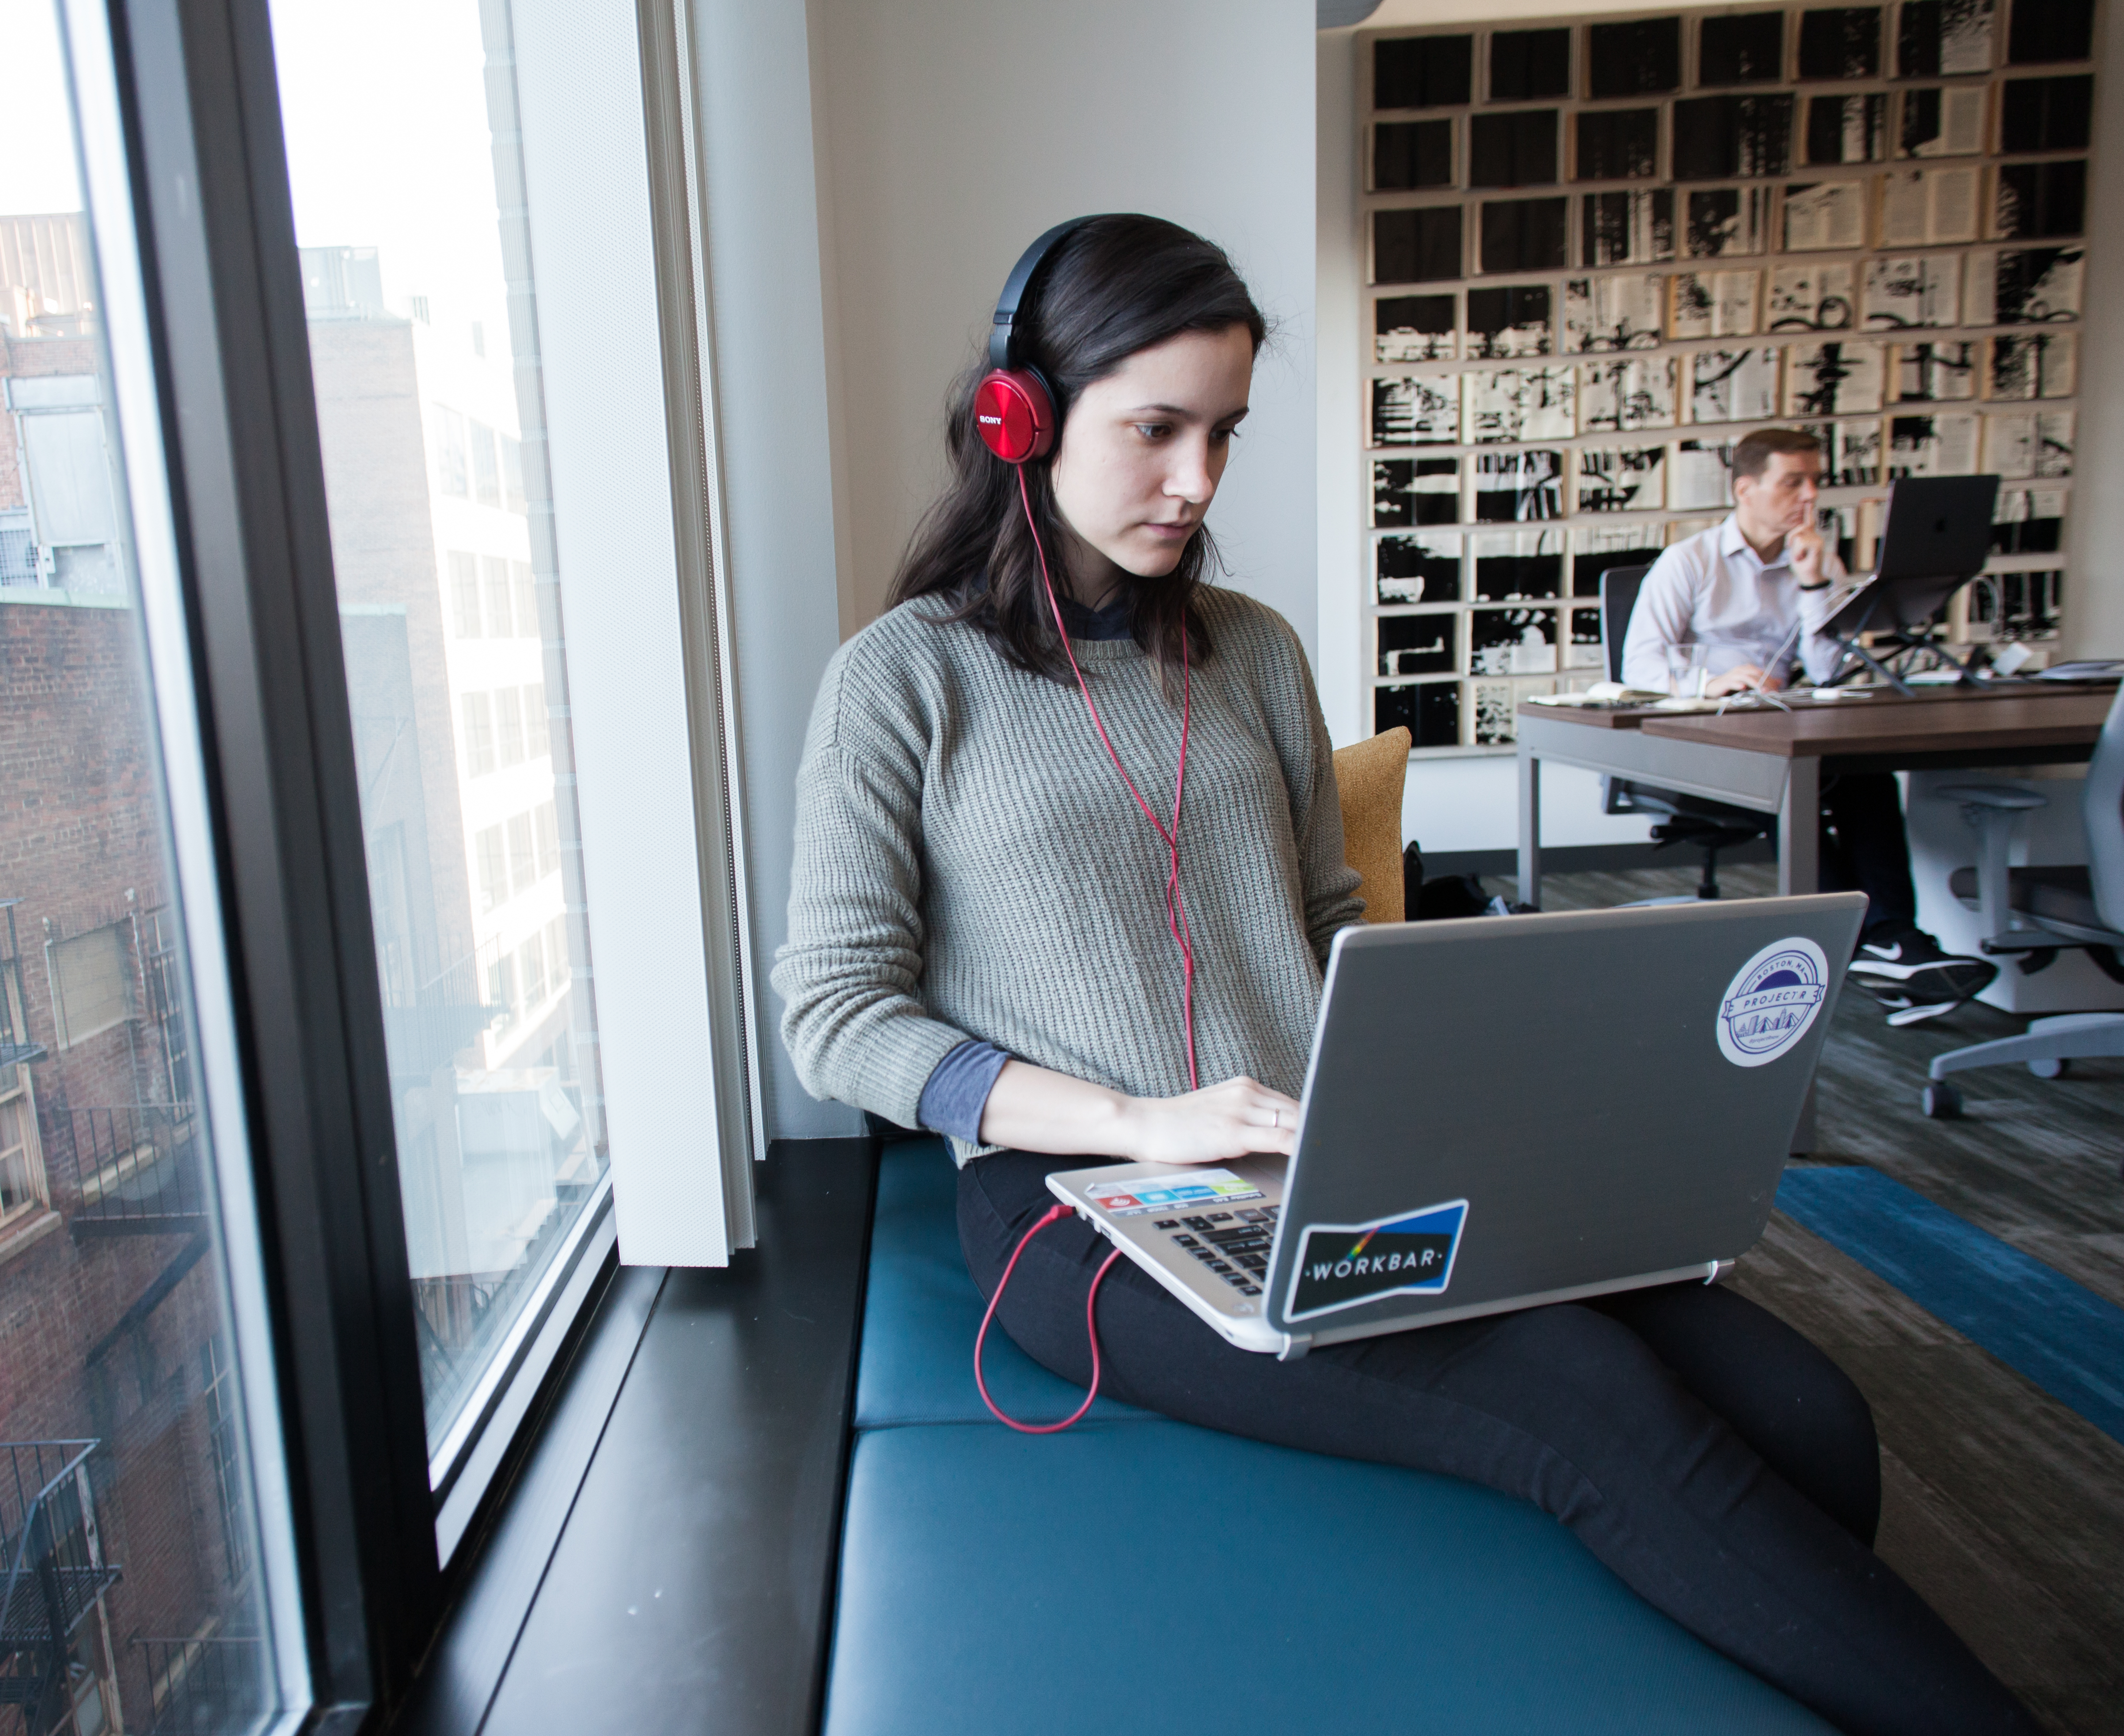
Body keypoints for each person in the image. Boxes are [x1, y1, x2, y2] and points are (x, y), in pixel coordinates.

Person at [775, 215, 2037, 1736]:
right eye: (1155, 429)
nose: (1198, 482)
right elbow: (835, 1013)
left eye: (1224, 433)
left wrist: (1480, 1076)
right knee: (1590, 1404)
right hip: (1083, 1203)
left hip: (1335, 1156)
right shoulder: (901, 676)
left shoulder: (1249, 651)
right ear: (1019, 416)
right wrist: (1135, 1115)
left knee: (1811, 1411)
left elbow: (1323, 917)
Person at [1619, 429, 1997, 1022]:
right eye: (1792, 481)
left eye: (1815, 481)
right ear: (1745, 489)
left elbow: (1829, 669)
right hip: (1699, 742)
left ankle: (1892, 938)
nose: (1809, 495)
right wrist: (1707, 682)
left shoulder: (1815, 561)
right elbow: (1638, 663)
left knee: (1866, 778)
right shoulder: (1688, 562)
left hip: (1780, 732)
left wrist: (1817, 584)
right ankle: (1872, 945)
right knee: (1794, 788)